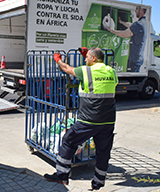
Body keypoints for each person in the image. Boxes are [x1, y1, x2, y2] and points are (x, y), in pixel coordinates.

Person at [44, 47, 118, 191]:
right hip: (108, 120)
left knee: (68, 140)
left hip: (89, 120)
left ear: (93, 59)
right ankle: (98, 182)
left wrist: (58, 59)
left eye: (87, 57)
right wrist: (88, 56)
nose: (85, 59)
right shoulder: (111, 72)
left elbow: (67, 69)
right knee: (103, 152)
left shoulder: (86, 71)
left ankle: (62, 175)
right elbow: (102, 80)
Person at [106, 6, 148, 72]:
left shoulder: (139, 24)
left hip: (134, 60)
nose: (135, 11)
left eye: (137, 9)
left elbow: (123, 34)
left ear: (141, 10)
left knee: (132, 79)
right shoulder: (144, 22)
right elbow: (131, 25)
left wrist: (111, 30)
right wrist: (121, 22)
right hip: (138, 58)